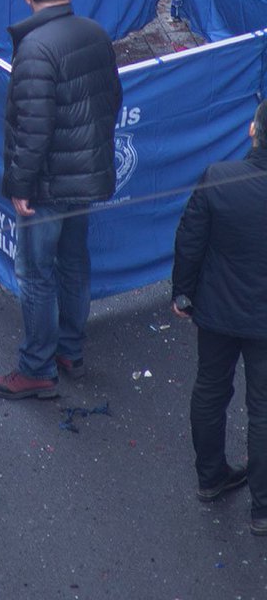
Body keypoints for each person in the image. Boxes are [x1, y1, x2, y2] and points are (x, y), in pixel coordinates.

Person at [0, 0, 122, 401]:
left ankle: (36, 368)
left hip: (46, 187)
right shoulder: (97, 34)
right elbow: (111, 101)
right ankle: (69, 351)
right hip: (85, 177)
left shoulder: (34, 49)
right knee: (74, 262)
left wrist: (21, 185)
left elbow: (33, 126)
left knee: (37, 273)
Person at [172, 100, 267, 535]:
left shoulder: (219, 179)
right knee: (263, 409)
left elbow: (190, 241)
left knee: (211, 391)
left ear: (253, 130)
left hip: (217, 311)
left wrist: (183, 293)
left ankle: (210, 478)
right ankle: (263, 508)